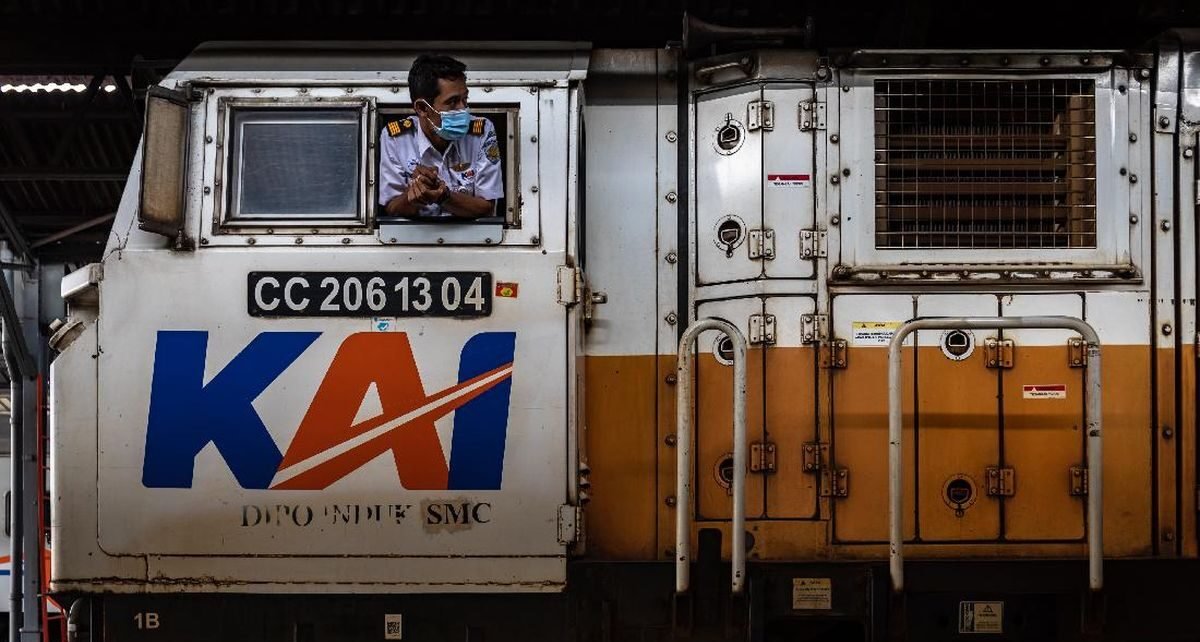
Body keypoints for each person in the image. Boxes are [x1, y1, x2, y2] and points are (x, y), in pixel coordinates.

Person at [379, 54, 503, 220]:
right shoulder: (396, 137)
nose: (463, 109)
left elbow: (487, 208)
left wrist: (443, 196)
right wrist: (416, 194)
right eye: (452, 102)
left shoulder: (482, 132)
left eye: (464, 99)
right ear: (422, 108)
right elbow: (391, 208)